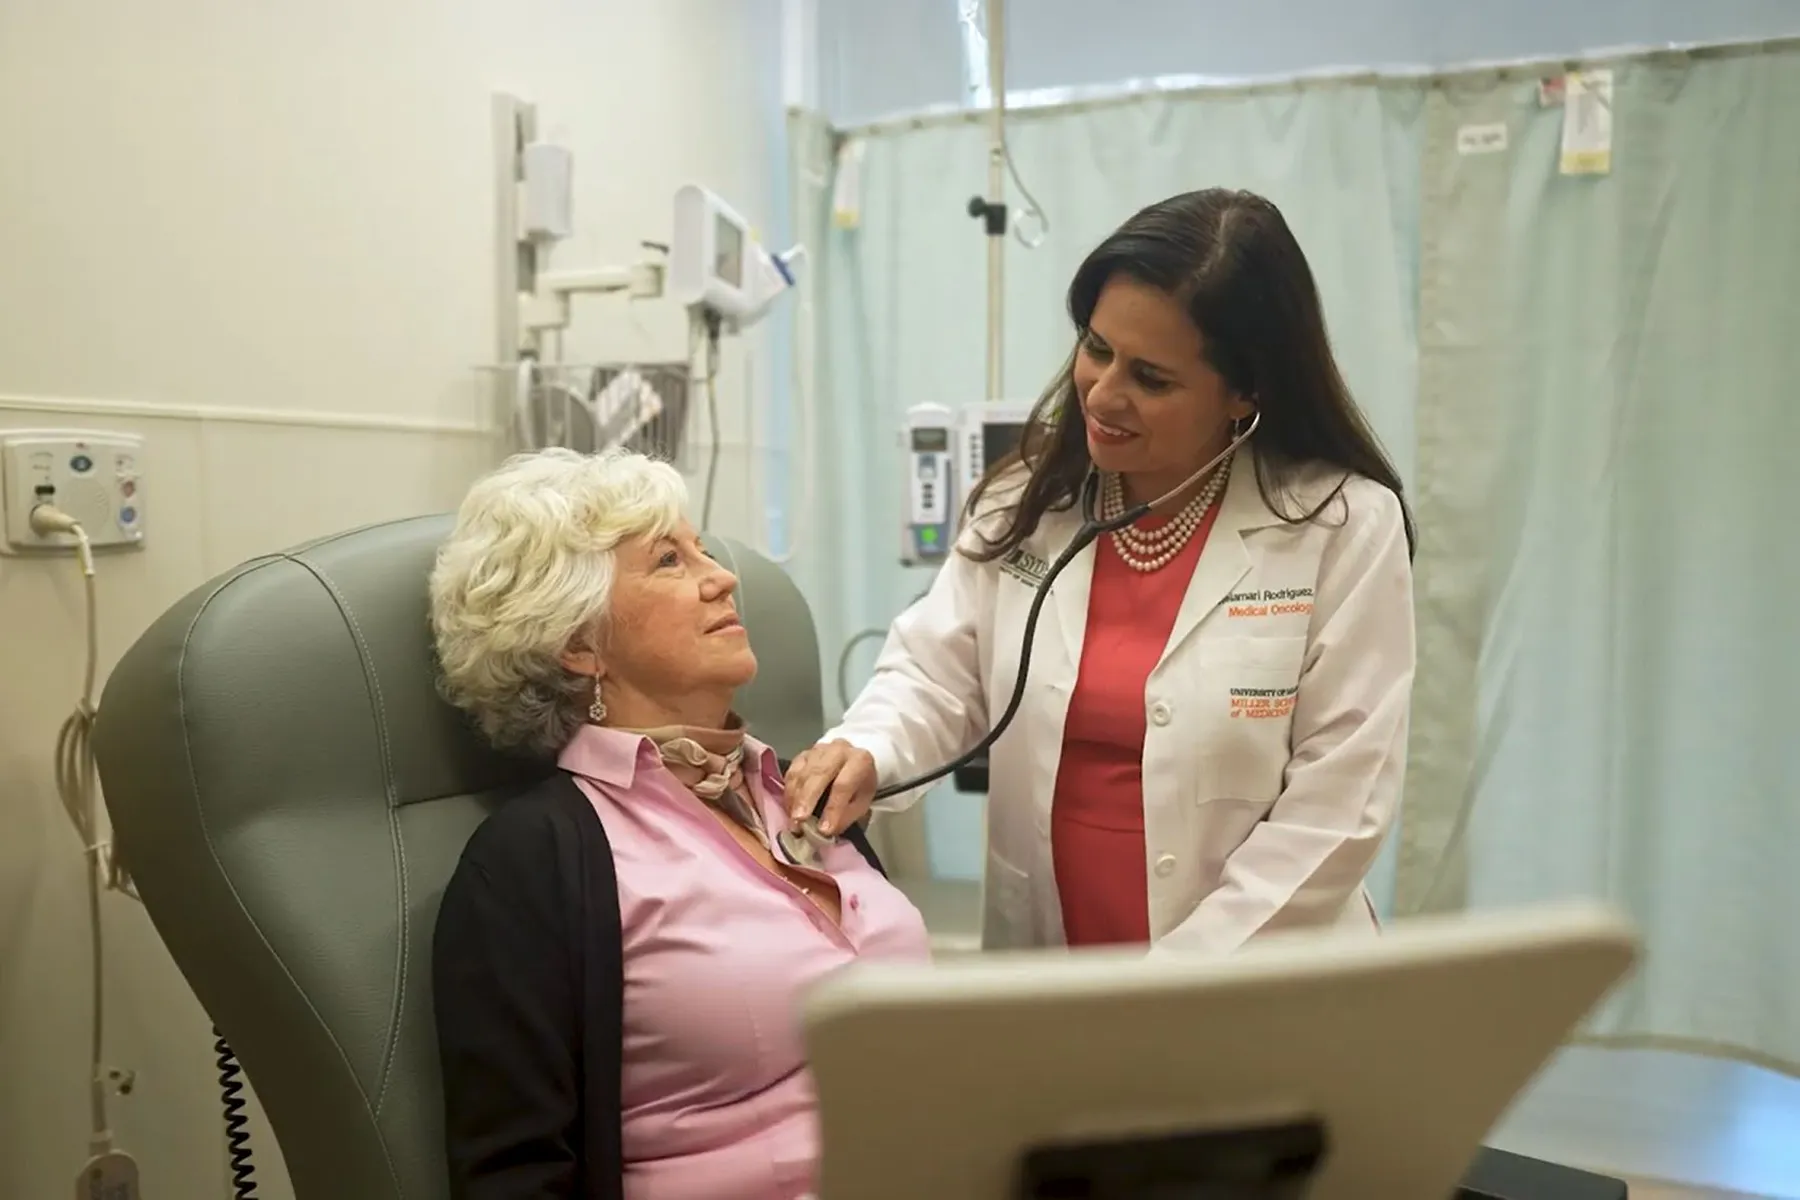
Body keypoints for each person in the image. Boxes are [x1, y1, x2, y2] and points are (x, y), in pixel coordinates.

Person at [786, 188, 1416, 955]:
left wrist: (1178, 977)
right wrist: (869, 748)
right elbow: (936, 674)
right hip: (1054, 962)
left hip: (1250, 972)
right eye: (1095, 347)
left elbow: (1338, 803)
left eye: (1152, 378)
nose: (1103, 393)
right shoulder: (1025, 500)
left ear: (1246, 393)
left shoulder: (1338, 524)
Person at [428, 447, 930, 1200]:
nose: (721, 576)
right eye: (668, 560)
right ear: (578, 645)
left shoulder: (797, 789)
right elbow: (515, 1174)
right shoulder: (533, 861)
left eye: (702, 549)